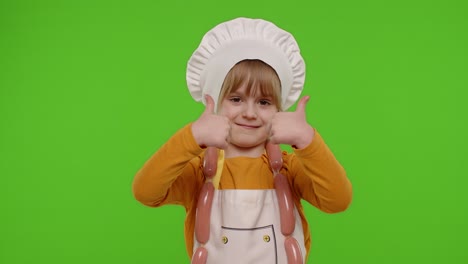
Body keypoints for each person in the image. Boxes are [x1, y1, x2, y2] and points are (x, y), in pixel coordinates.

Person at [132, 17, 352, 264]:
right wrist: (191, 136)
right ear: (214, 103)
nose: (250, 112)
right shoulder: (199, 172)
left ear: (279, 110)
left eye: (264, 102)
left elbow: (338, 200)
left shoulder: (290, 169)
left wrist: (308, 140)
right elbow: (145, 192)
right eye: (236, 99)